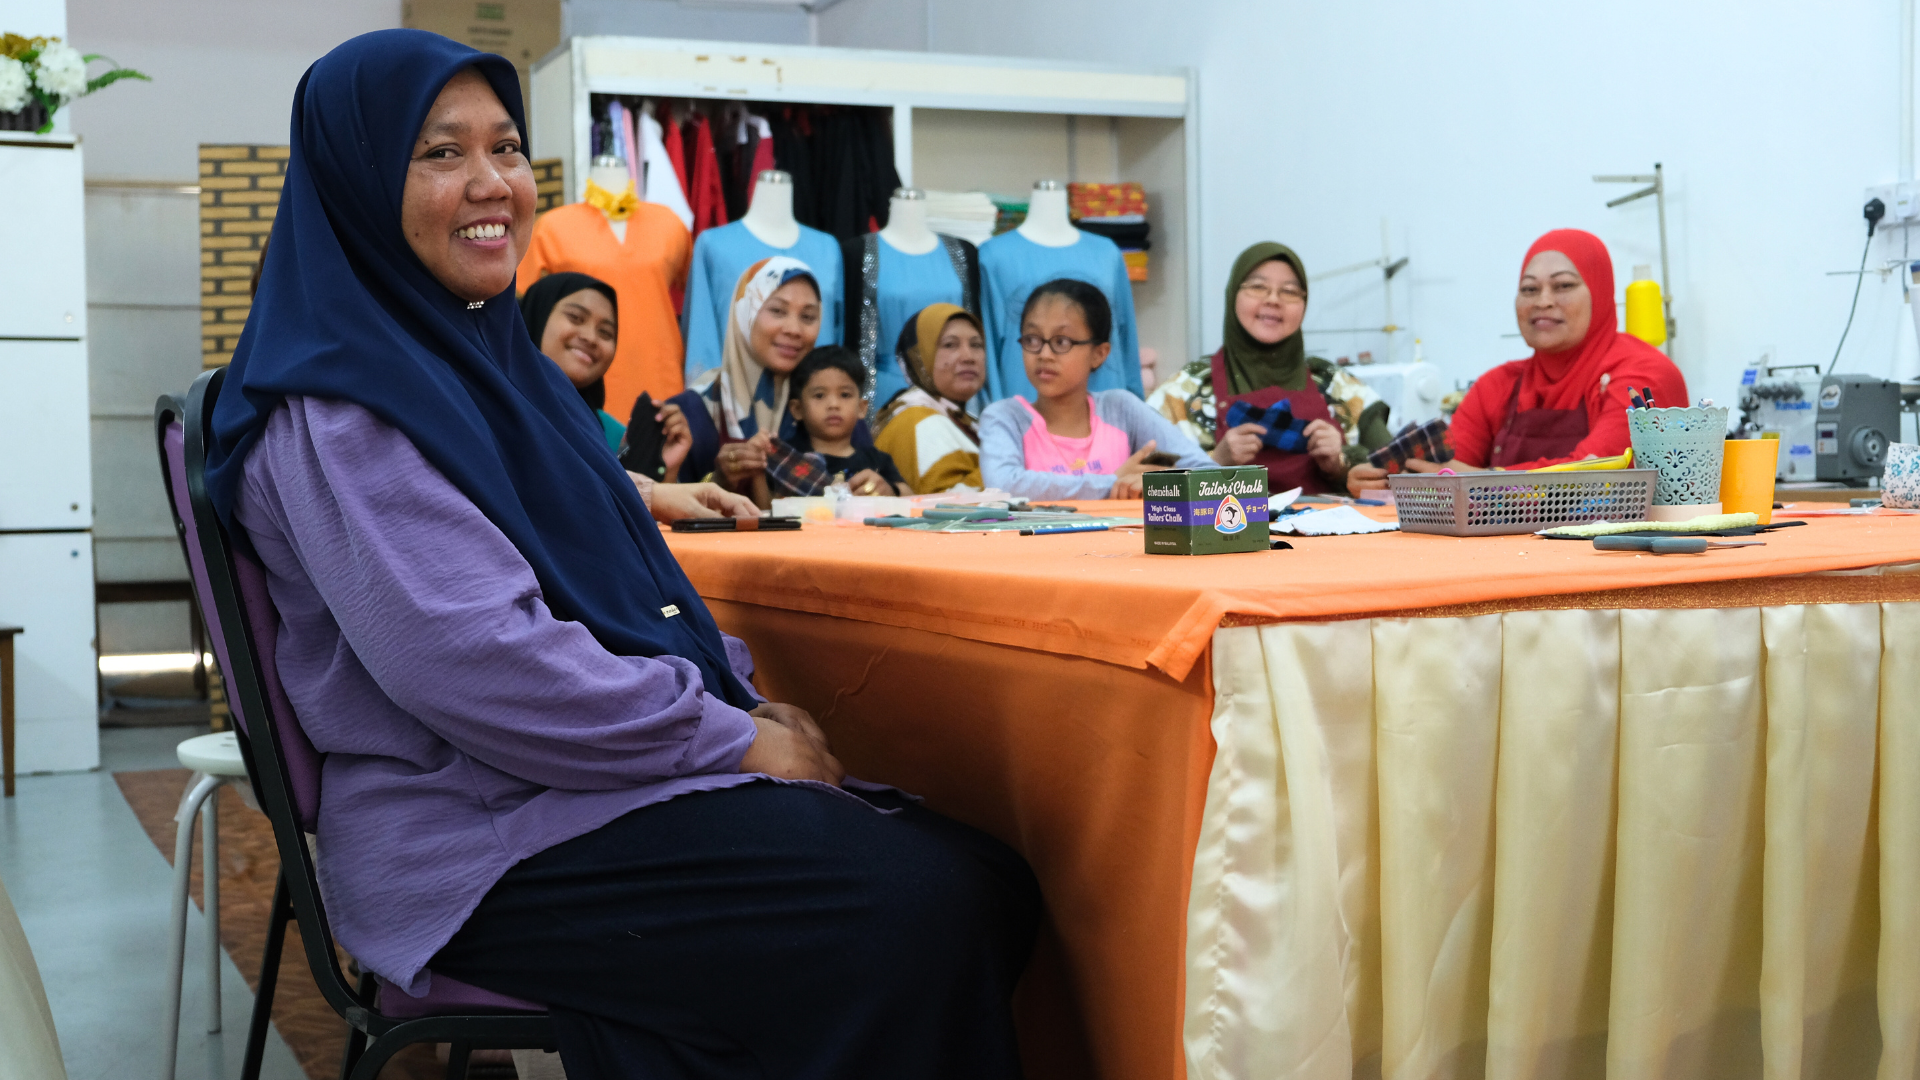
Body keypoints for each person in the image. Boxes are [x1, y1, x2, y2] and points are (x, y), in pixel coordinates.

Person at [203, 32, 1038, 1079]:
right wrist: (726, 743)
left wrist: (735, 705)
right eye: (439, 154)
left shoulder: (484, 369)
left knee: (990, 877)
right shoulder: (345, 406)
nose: (491, 182)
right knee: (916, 909)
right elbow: (476, 660)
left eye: (505, 147)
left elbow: (618, 569)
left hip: (565, 788)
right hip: (477, 832)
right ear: (354, 182)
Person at [1347, 228, 1687, 493]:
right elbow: (1445, 471)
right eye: (1528, 289)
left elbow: (1598, 474)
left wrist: (1482, 481)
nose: (1543, 301)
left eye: (1563, 285)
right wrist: (1385, 481)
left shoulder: (1642, 374)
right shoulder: (1499, 386)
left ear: (1600, 292)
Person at [1147, 241, 1392, 494]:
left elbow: (1395, 469)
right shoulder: (1185, 390)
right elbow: (1142, 481)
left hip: (1328, 532)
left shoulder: (1338, 386)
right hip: (1225, 531)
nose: (1273, 300)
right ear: (1233, 295)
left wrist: (1340, 463)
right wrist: (1213, 463)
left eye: (1289, 291)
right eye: (1257, 287)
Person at [979, 278, 1211, 499]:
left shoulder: (1120, 409)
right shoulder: (1005, 417)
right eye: (1032, 340)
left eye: (1061, 342)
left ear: (1099, 354)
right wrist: (1112, 483)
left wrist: (1157, 483)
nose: (1044, 354)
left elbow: (1207, 474)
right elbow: (1003, 486)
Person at [653, 257, 834, 491]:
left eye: (808, 317)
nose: (794, 329)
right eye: (778, 311)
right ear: (744, 312)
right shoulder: (691, 413)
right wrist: (718, 482)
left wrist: (883, 488)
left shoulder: (829, 406)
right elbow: (651, 505)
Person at [763, 346, 911, 504]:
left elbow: (912, 498)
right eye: (819, 395)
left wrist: (891, 491)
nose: (833, 405)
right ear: (797, 409)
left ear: (861, 408)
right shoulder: (787, 458)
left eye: (845, 395)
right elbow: (765, 509)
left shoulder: (877, 460)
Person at [872, 303, 987, 493]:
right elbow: (950, 510)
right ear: (919, 357)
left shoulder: (961, 419)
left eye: (976, 345)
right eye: (950, 345)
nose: (969, 357)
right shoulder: (917, 421)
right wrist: (1012, 462)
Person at [517, 271, 626, 452]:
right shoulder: (489, 403)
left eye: (605, 332)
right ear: (538, 314)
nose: (591, 338)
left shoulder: (613, 437)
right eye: (575, 317)